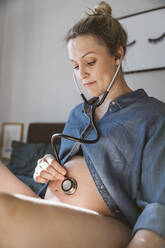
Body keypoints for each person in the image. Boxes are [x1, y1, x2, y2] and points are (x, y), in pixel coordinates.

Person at [0, 1, 165, 247]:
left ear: (117, 55)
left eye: (90, 62)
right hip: (48, 204)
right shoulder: (77, 114)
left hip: (103, 224)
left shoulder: (153, 115)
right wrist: (45, 166)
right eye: (75, 66)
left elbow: (158, 204)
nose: (82, 74)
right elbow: (61, 166)